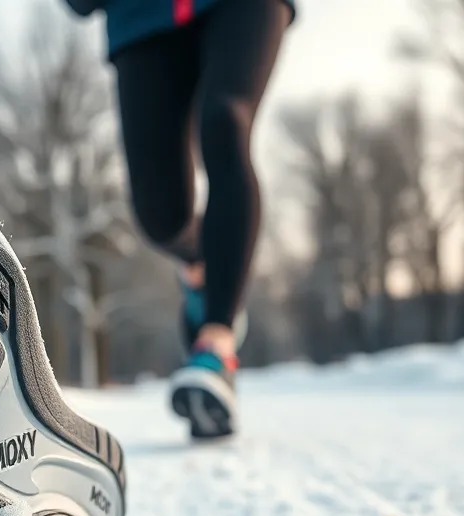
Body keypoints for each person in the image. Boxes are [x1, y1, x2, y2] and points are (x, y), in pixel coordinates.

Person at [65, 0, 294, 439]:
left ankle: (216, 346)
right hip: (141, 16)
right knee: (161, 217)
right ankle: (200, 267)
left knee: (226, 122)